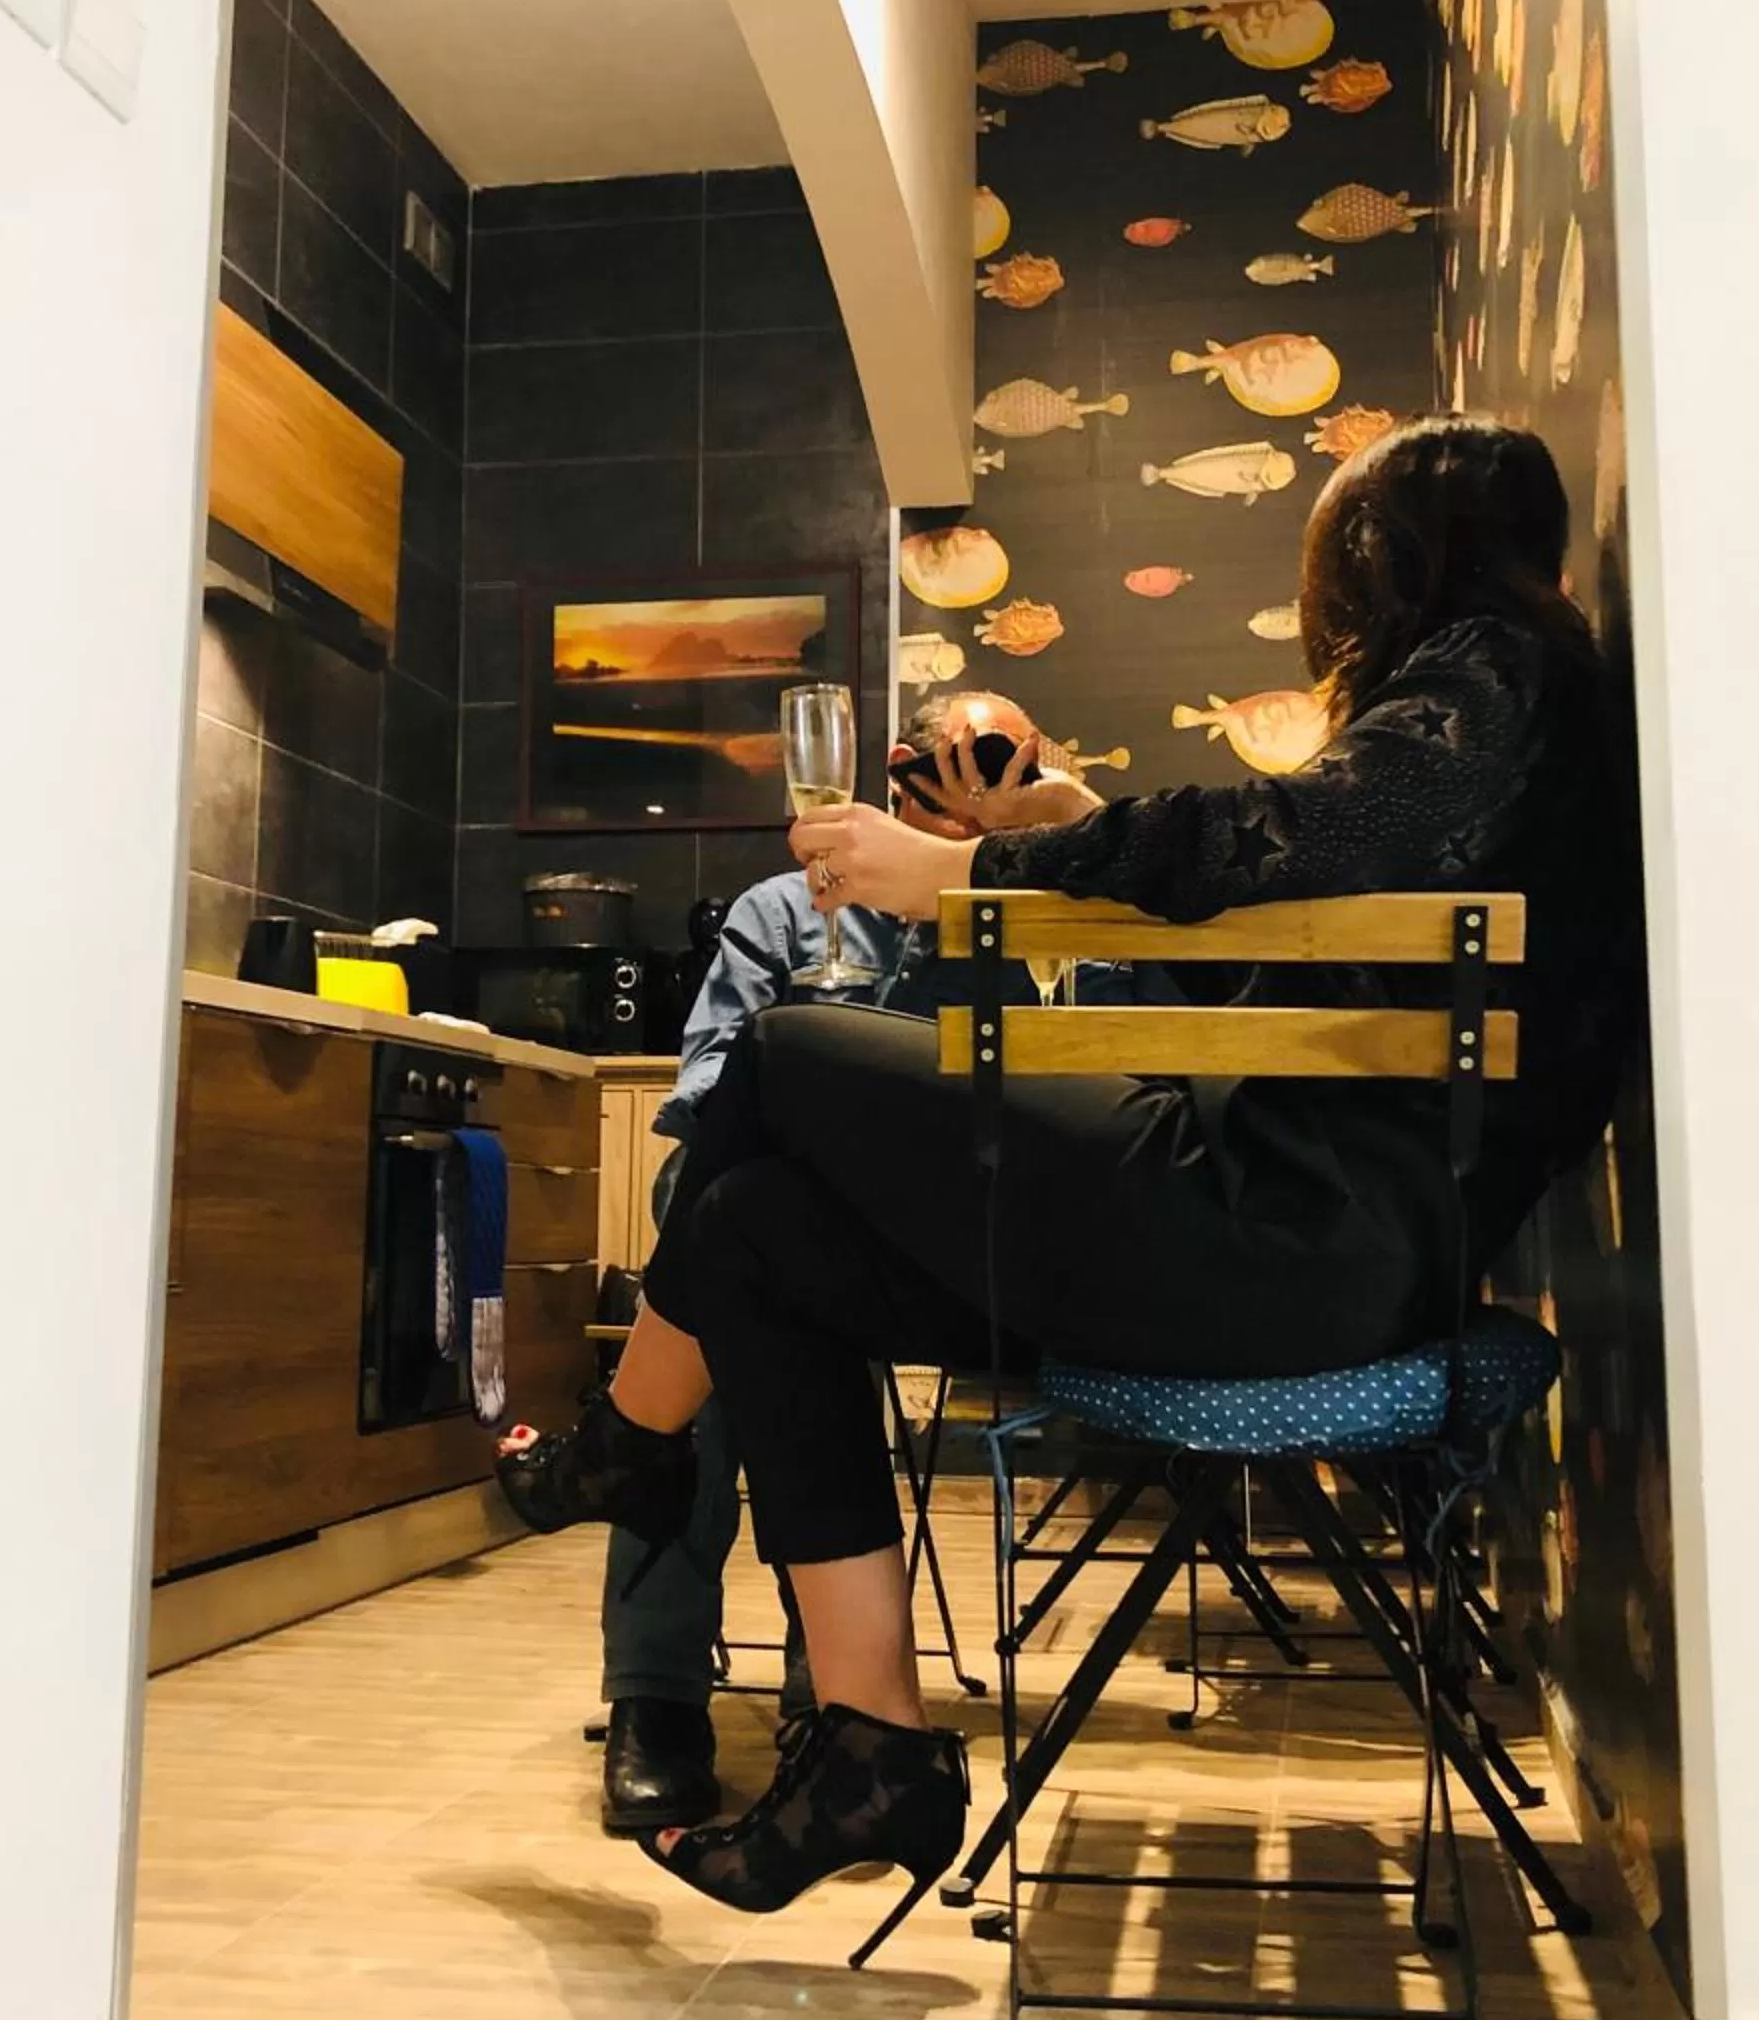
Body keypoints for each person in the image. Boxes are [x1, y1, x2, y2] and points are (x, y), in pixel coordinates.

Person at [502, 417, 1637, 1942]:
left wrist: (967, 874)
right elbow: (1295, 899)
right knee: (753, 1235)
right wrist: (1069, 833)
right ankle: (870, 1750)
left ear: (1384, 558)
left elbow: (1289, 833)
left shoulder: (1495, 677)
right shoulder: (1514, 718)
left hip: (1286, 1244)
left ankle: (627, 1445)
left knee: (779, 1055)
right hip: (1296, 1237)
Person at [596, 692, 1103, 1835]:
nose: (990, 781)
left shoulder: (1045, 921)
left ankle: (640, 1486)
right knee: (731, 1243)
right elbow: (705, 1091)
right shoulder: (784, 911)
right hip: (788, 1227)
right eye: (972, 756)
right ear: (904, 766)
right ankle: (666, 1698)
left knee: (738, 1278)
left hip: (953, 1244)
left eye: (1016, 761)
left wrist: (1044, 846)